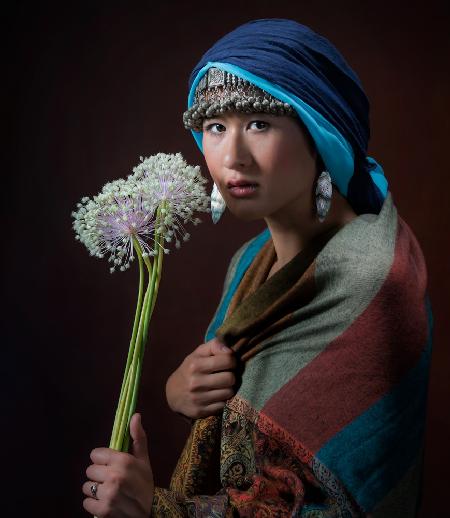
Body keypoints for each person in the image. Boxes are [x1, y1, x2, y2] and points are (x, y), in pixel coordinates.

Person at [82, 19, 433, 517]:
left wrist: (152, 508)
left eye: (260, 123)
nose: (232, 156)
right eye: (215, 127)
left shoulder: (373, 283)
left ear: (320, 135)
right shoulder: (249, 260)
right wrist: (181, 392)